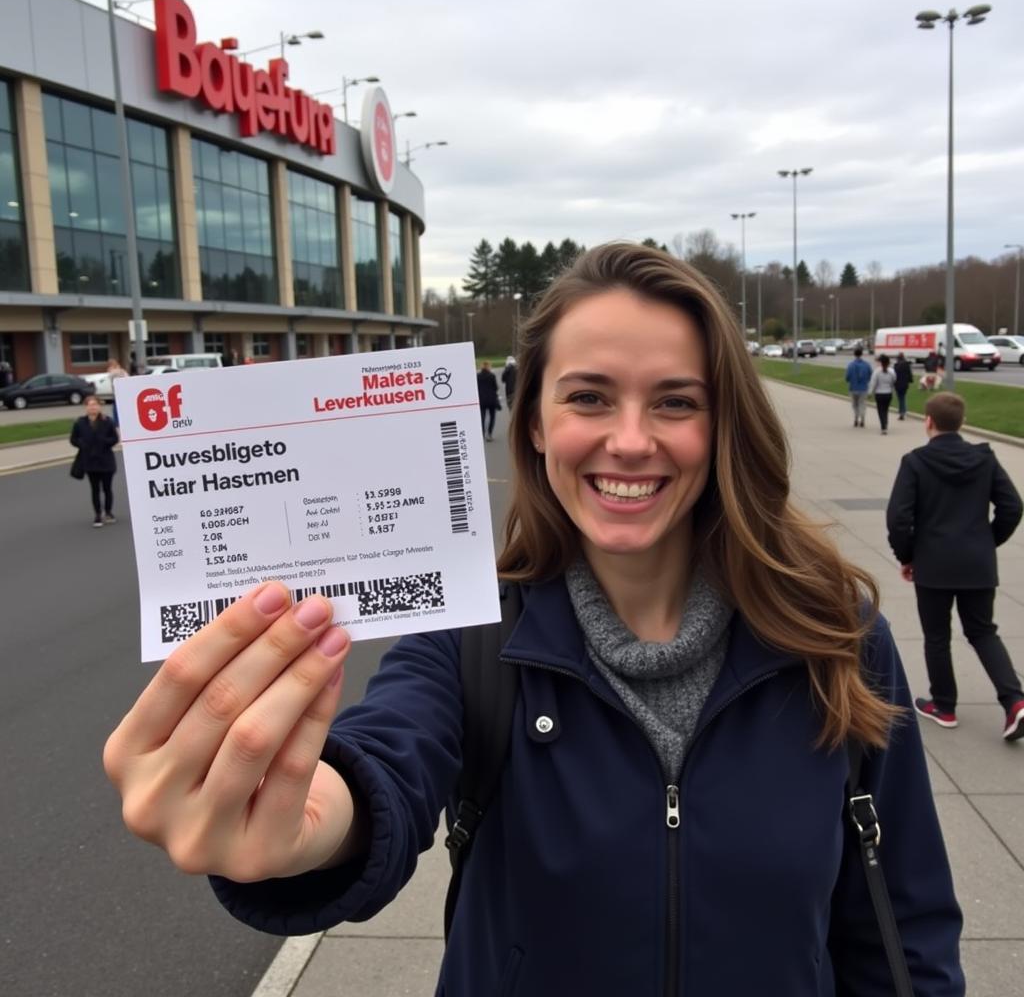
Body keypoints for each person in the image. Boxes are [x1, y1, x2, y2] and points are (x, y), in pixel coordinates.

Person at [104, 244, 964, 995]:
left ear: (725, 423)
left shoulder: (836, 640)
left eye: (674, 401)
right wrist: (301, 819)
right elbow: (384, 762)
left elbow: (905, 928)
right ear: (537, 424)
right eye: (588, 397)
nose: (630, 440)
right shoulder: (474, 635)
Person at [886, 392, 1024, 741]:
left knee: (937, 635)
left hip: (933, 564)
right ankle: (1015, 701)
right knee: (982, 631)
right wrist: (987, 541)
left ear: (928, 422)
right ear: (961, 422)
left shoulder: (915, 462)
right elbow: (1012, 506)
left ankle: (944, 706)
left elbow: (899, 519)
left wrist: (907, 556)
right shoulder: (985, 458)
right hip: (977, 563)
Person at [70, 395, 119, 528]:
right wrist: (82, 444)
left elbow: (115, 439)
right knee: (95, 489)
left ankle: (108, 512)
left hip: (106, 461)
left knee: (107, 488)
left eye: (95, 404)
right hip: (90, 461)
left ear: (99, 406)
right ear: (86, 407)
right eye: (90, 405)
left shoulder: (107, 421)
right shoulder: (80, 423)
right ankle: (98, 514)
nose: (92, 407)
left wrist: (104, 441)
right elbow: (73, 439)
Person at [868, 354, 897, 434]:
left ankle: (883, 426)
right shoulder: (892, 372)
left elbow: (873, 383)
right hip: (888, 393)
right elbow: (893, 382)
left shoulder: (877, 371)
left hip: (879, 394)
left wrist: (870, 393)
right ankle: (885, 423)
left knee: (880, 411)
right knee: (886, 410)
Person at [844, 345, 871, 427]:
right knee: (862, 404)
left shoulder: (851, 365)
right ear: (861, 354)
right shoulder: (867, 365)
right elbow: (870, 375)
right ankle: (862, 419)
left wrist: (850, 380)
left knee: (855, 404)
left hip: (853, 388)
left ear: (854, 354)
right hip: (863, 388)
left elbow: (847, 377)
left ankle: (856, 418)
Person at [476, 359, 500, 441]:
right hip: (491, 399)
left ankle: (482, 434)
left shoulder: (477, 376)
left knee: (482, 418)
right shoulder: (492, 376)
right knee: (492, 417)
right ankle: (489, 433)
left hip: (481, 399)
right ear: (489, 367)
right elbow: (496, 388)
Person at [106, 358, 129, 427]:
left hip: (121, 392)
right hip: (117, 393)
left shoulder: (119, 371)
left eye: (111, 364)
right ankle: (118, 422)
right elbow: (110, 376)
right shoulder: (120, 371)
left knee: (117, 408)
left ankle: (118, 422)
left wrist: (116, 370)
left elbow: (126, 377)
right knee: (116, 408)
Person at [893, 352, 913, 420]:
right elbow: (909, 374)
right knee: (903, 397)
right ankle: (903, 411)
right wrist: (910, 381)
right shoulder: (907, 365)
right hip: (905, 384)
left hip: (898, 384)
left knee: (900, 398)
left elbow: (894, 375)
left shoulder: (896, 365)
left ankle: (902, 412)